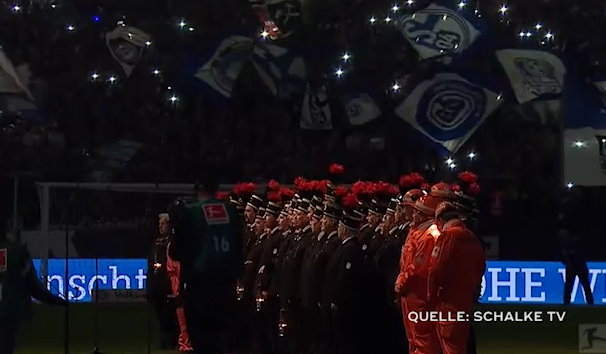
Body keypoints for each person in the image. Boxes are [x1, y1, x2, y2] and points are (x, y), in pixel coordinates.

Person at [168, 174, 243, 354]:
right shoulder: (231, 210)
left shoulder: (192, 212)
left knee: (202, 340)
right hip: (226, 282)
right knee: (222, 339)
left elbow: (177, 251)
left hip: (200, 284)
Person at [0, 188, 67, 354]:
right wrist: (55, 301)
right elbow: (33, 286)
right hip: (8, 312)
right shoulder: (18, 252)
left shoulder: (17, 252)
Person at [427, 201, 485, 354]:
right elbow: (481, 266)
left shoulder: (447, 236)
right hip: (464, 301)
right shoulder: (471, 236)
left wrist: (430, 295)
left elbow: (436, 269)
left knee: (450, 346)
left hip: (448, 301)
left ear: (439, 220)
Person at [147, 213, 178, 350]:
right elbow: (150, 264)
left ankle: (172, 340)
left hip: (170, 284)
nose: (160, 226)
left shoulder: (174, 242)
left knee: (170, 315)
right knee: (160, 315)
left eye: (163, 223)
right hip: (157, 285)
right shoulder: (156, 242)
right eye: (159, 224)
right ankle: (164, 341)